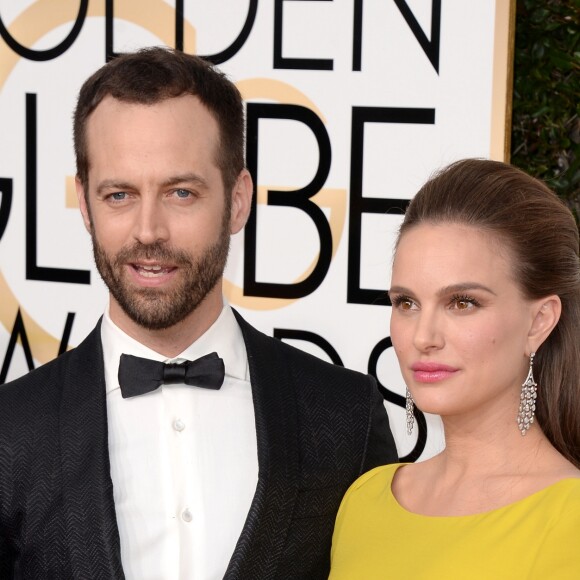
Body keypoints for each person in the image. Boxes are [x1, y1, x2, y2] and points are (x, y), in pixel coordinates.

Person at [0, 47, 397, 579]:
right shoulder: (10, 430)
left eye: (181, 192)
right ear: (85, 205)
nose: (148, 230)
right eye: (119, 194)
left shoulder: (342, 415)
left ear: (237, 201)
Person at [329, 159, 580, 579]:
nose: (423, 336)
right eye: (406, 303)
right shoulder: (363, 501)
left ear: (539, 321)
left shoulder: (568, 519)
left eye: (462, 302)